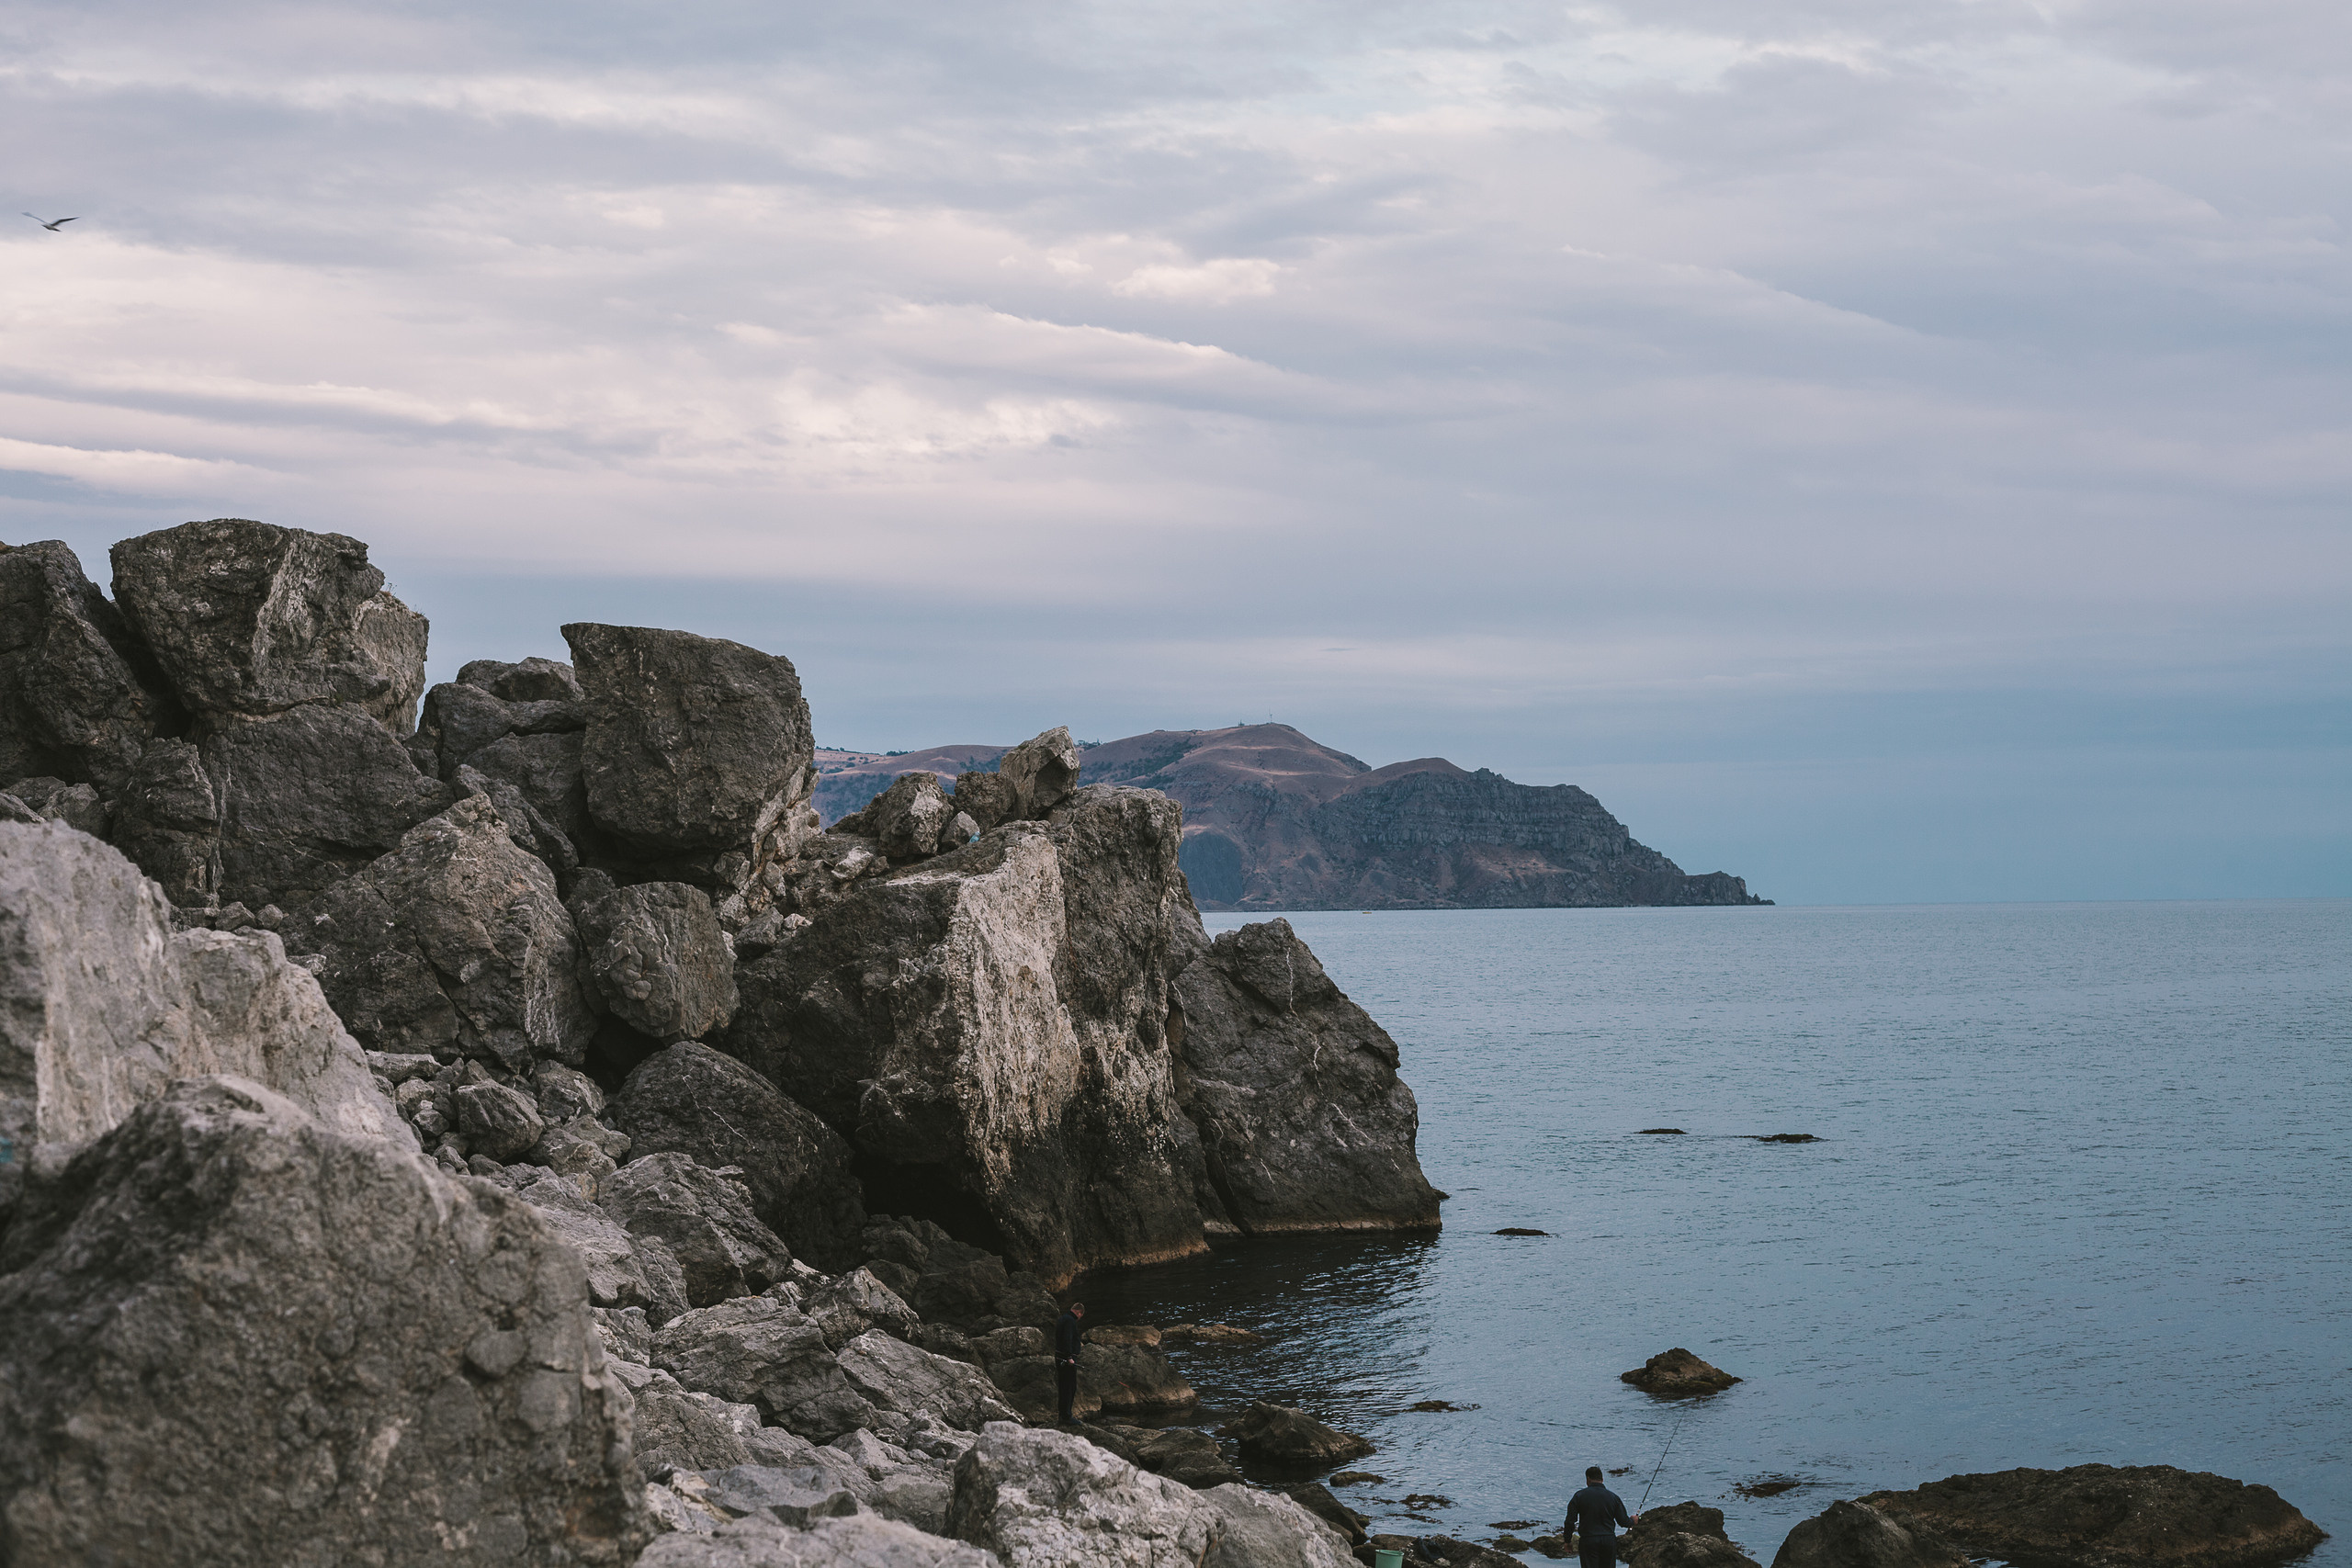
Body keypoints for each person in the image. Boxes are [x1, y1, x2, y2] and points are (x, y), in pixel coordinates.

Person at [1563, 1466, 1637, 1567]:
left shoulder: (1579, 1496)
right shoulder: (1613, 1497)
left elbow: (1570, 1521)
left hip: (1588, 1541)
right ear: (1602, 1479)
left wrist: (1567, 1541)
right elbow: (1623, 1522)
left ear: (1588, 1479)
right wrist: (1633, 1520)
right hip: (1608, 1540)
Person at [1054, 1300, 1086, 1425]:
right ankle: (1066, 1417)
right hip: (1066, 1360)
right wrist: (1069, 1357)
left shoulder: (1064, 1318)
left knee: (1064, 1387)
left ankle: (1063, 1415)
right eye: (1080, 1316)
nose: (1079, 1319)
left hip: (1060, 1357)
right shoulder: (1069, 1321)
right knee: (1069, 1387)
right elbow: (1067, 1339)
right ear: (1078, 1313)